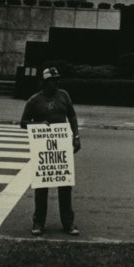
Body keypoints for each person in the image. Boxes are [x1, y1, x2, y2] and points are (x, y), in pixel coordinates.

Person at [20, 67, 81, 236]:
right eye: (53, 80)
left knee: (65, 185)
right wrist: (38, 125)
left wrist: (76, 136)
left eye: (57, 79)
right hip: (43, 147)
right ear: (45, 82)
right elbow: (23, 122)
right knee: (42, 186)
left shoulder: (64, 95)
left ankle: (68, 223)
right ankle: (38, 222)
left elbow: (72, 116)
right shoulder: (34, 100)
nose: (56, 83)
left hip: (61, 146)